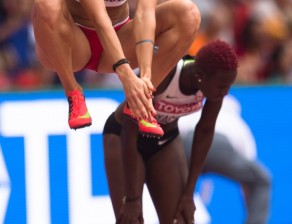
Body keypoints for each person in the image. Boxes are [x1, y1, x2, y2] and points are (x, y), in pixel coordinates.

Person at [103, 40, 238, 223]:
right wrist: (132, 198)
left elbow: (205, 131)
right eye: (223, 86)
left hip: (165, 141)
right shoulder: (167, 72)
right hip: (124, 136)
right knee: (131, 218)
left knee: (181, 218)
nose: (226, 91)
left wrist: (189, 193)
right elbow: (129, 127)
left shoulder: (214, 86)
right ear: (200, 75)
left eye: (229, 86)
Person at [30, 0, 200, 133]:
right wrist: (125, 74)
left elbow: (144, 15)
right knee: (46, 3)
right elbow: (99, 18)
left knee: (187, 13)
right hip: (72, 44)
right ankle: (73, 92)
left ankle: (141, 101)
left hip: (119, 37)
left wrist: (145, 78)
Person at [180, 95, 272, 224]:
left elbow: (176, 138)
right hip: (220, 150)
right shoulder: (239, 124)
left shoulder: (193, 112)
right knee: (261, 179)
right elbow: (248, 181)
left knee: (174, 184)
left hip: (189, 145)